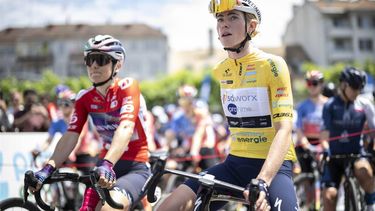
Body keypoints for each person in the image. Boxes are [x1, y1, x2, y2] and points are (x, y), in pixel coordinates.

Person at [157, 1, 298, 210]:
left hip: (273, 168)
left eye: (232, 17)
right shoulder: (220, 70)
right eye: (220, 19)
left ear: (251, 26)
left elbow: (284, 130)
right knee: (167, 207)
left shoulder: (273, 65)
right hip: (234, 165)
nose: (224, 24)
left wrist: (263, 180)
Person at [28, 34, 150, 211]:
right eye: (89, 60)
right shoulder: (84, 97)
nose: (93, 65)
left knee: (108, 209)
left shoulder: (127, 87)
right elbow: (71, 135)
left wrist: (107, 164)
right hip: (102, 169)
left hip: (135, 167)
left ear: (118, 64)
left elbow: (126, 127)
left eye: (100, 59)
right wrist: (48, 168)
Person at [320, 67, 375, 211]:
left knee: (365, 171)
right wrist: (326, 149)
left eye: (359, 89)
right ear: (343, 85)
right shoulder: (330, 105)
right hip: (334, 157)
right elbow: (324, 135)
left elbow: (373, 130)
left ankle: (370, 205)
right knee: (329, 196)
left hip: (356, 154)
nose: (357, 92)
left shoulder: (365, 104)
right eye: (354, 88)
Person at [164, 85, 218, 171]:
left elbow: (199, 134)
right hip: (190, 146)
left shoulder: (201, 113)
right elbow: (171, 133)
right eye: (182, 98)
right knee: (175, 168)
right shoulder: (178, 116)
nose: (185, 101)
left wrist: (194, 150)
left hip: (204, 145)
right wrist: (167, 150)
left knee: (212, 172)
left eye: (188, 98)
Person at [295, 70, 327, 208]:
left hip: (324, 144)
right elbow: (298, 128)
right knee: (307, 179)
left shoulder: (329, 103)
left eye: (315, 83)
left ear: (321, 84)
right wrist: (305, 143)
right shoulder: (302, 106)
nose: (312, 86)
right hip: (306, 144)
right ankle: (309, 203)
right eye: (309, 83)